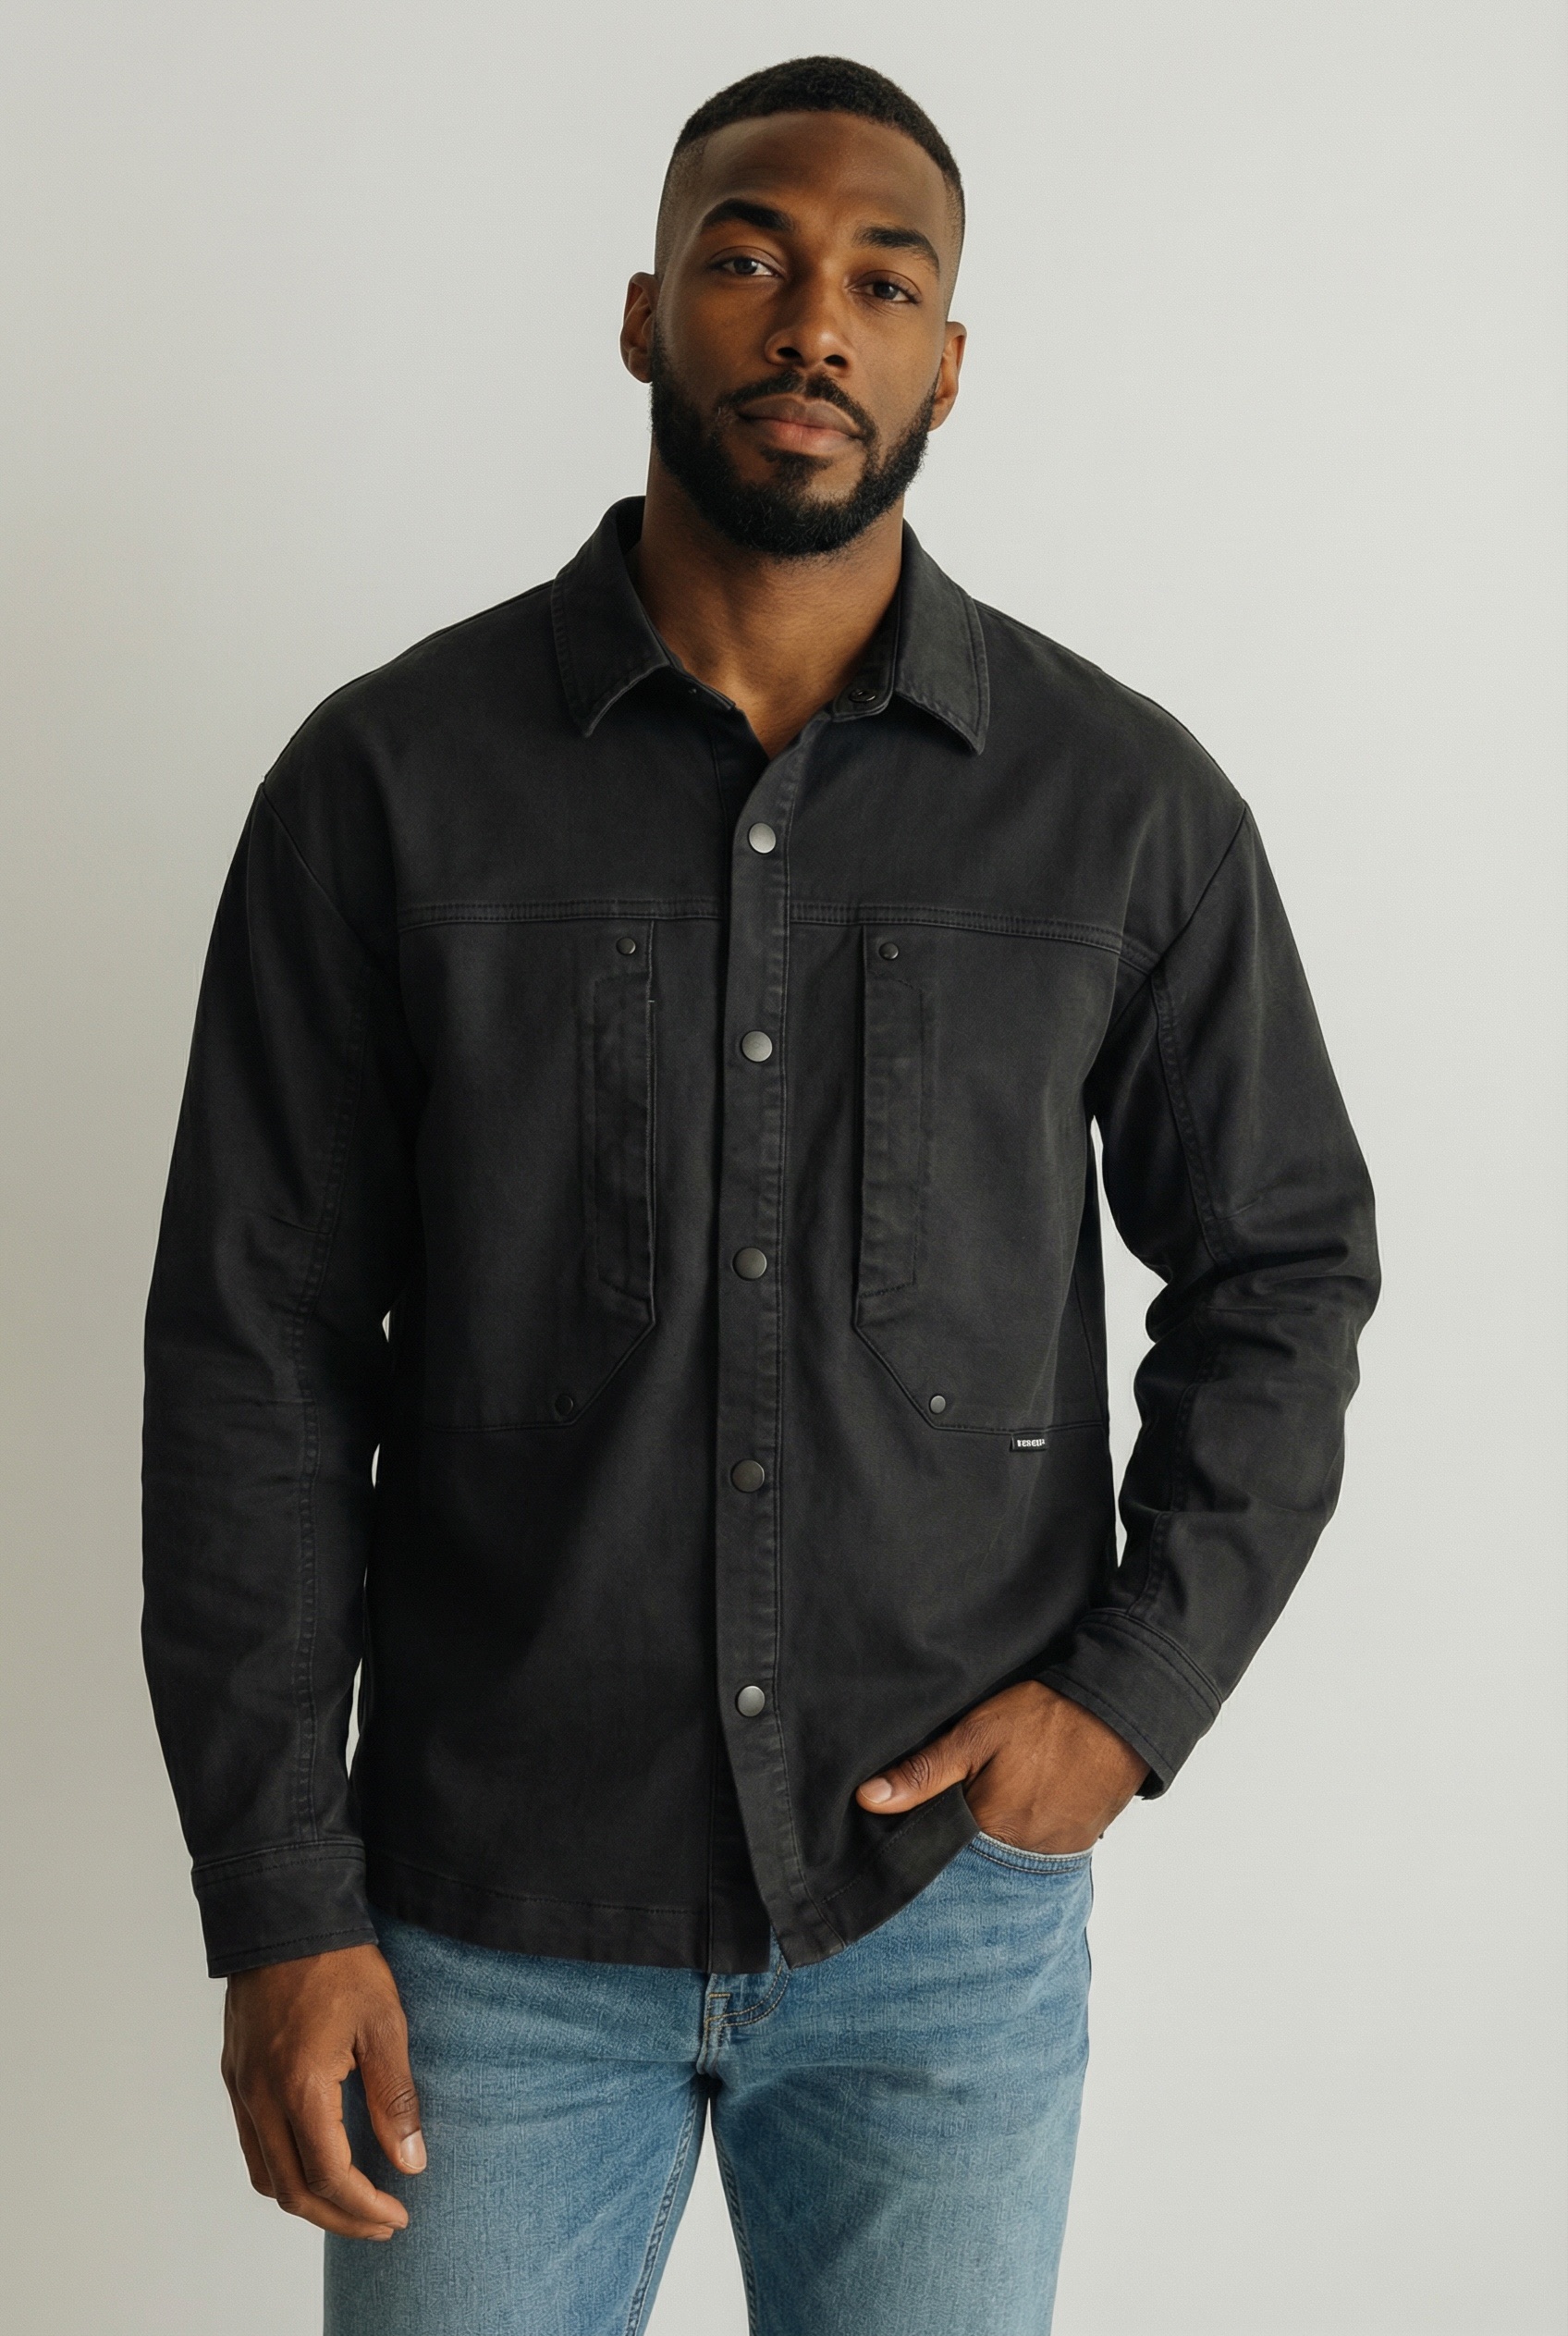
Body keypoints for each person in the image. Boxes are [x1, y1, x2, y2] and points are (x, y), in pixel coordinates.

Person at [141, 54, 1379, 2336]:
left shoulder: (1118, 809)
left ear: (946, 365)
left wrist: (1128, 1695)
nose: (813, 320)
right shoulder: (385, 786)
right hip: (481, 1931)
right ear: (643, 314)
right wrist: (278, 1896)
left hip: (941, 1931)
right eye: (747, 258)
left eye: (882, 283)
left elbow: (1280, 1267)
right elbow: (257, 1358)